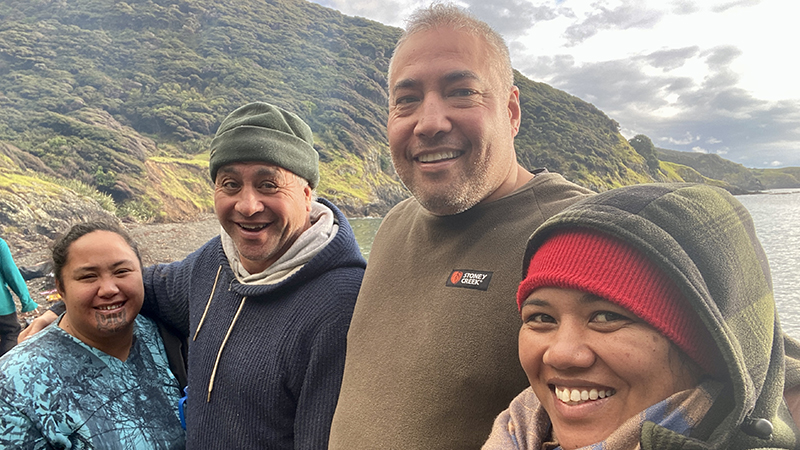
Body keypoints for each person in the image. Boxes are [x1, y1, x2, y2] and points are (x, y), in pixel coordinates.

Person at [20, 102, 367, 449]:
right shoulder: (216, 261)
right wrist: (61, 310)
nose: (247, 205)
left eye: (268, 185)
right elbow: (147, 286)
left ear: (307, 196)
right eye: (230, 184)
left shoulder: (342, 305)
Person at [328, 4, 595, 449]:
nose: (429, 122)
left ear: (511, 112)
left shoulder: (576, 233)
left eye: (461, 92)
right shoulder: (395, 224)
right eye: (407, 100)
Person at [483, 183, 800, 449]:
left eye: (606, 316)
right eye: (542, 318)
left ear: (711, 349)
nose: (562, 354)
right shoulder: (519, 430)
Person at [0, 221, 185, 449]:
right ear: (60, 287)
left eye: (122, 272)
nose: (108, 289)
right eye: (88, 276)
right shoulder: (15, 385)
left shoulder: (168, 335)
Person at [0, 237, 38, 356]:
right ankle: (5, 370)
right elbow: (11, 273)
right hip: (2, 307)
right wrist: (27, 302)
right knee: (11, 332)